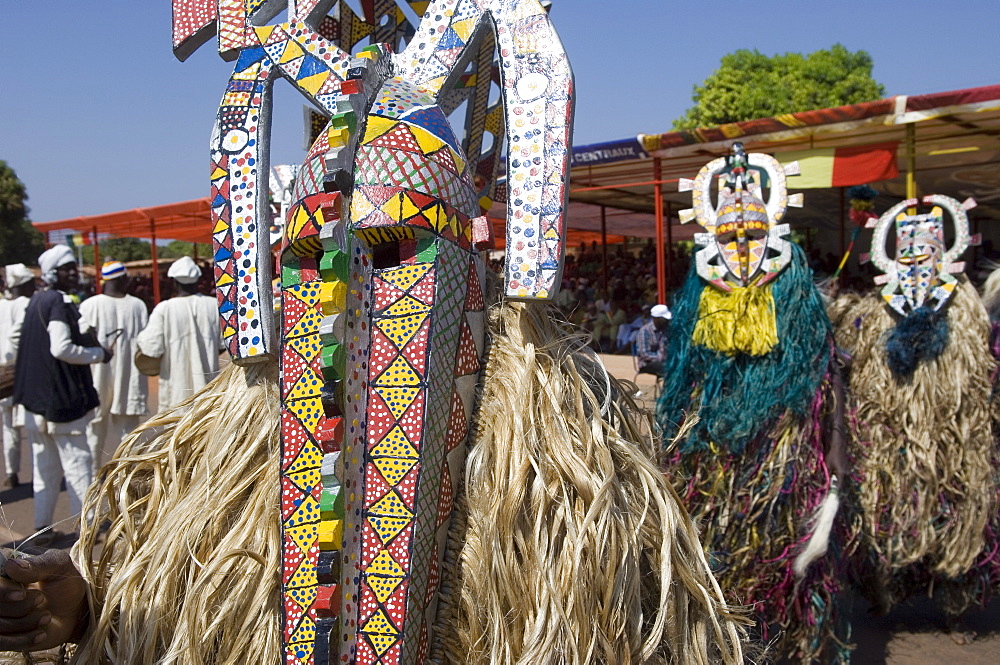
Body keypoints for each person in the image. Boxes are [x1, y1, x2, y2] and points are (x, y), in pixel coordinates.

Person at [12, 245, 111, 544]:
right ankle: (88, 524)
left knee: (46, 469)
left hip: (36, 403)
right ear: (54, 273)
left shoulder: (37, 300)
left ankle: (42, 527)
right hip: (59, 403)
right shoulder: (55, 301)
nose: (73, 272)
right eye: (67, 268)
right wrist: (97, 353)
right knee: (78, 464)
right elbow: (61, 348)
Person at [79, 261, 149, 473]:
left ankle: (91, 481)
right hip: (128, 376)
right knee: (128, 433)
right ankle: (126, 482)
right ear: (122, 279)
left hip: (98, 376)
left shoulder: (90, 305)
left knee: (94, 430)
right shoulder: (138, 306)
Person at [135, 256, 223, 410]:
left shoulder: (164, 309)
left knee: (175, 431)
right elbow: (223, 345)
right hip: (208, 391)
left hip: (175, 393)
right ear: (197, 281)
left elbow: (151, 348)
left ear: (174, 282)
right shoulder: (213, 306)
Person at [0, 264, 36, 488]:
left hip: (3, 373)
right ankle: (37, 478)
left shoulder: (1, 305)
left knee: (8, 427)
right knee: (31, 427)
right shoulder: (26, 304)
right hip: (21, 374)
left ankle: (12, 471)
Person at [634, 303, 670, 375]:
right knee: (668, 368)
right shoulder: (645, 331)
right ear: (656, 318)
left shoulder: (665, 330)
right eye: (664, 319)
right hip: (647, 363)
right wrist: (662, 358)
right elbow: (645, 354)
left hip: (663, 361)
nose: (666, 321)